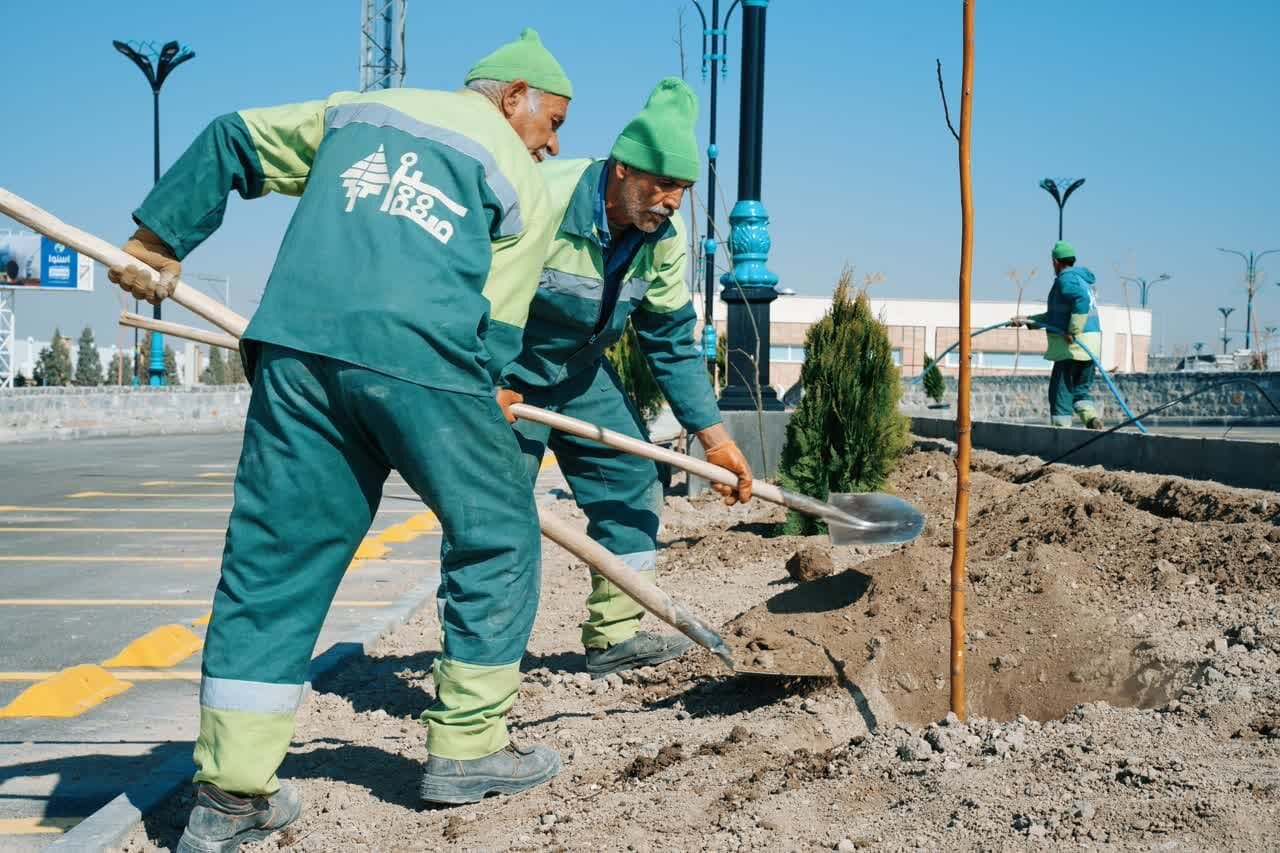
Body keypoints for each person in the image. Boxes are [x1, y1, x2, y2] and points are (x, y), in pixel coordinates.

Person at [107, 28, 575, 851]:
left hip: (298, 349)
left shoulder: (358, 111)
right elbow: (496, 324)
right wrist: (490, 391)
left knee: (274, 560)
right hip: (426, 363)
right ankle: (470, 747)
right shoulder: (520, 178)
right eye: (553, 122)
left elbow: (233, 137)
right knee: (499, 530)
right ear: (512, 99)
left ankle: (230, 794)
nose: (554, 143)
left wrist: (158, 239)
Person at [492, 77, 753, 678]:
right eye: (661, 185)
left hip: (580, 372)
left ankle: (614, 637)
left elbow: (669, 339)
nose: (672, 202)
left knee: (632, 480)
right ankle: (483, 657)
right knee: (495, 510)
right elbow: (477, 292)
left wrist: (714, 438)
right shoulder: (542, 196)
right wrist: (482, 378)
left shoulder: (662, 240)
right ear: (621, 169)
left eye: (682, 189)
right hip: (509, 369)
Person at [1011, 240, 1104, 429]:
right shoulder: (1082, 280)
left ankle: (1061, 433)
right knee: (1080, 390)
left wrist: (1073, 330)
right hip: (1090, 347)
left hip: (1071, 348)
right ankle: (1091, 419)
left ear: (1055, 261)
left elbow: (1081, 301)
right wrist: (1027, 320)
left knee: (1060, 392)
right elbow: (1055, 316)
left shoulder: (1066, 279)